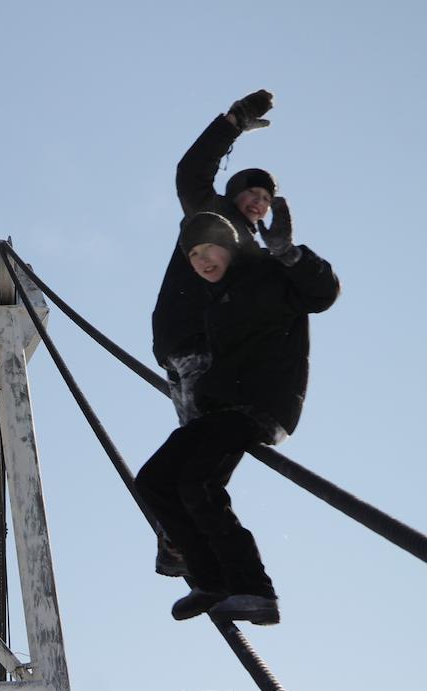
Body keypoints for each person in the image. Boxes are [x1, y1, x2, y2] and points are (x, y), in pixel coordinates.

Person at [135, 209, 339, 625]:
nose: (202, 261)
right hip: (223, 407)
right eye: (194, 255)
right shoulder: (215, 299)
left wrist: (290, 254)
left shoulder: (267, 274)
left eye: (209, 248)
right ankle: (210, 580)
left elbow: (321, 294)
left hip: (262, 403)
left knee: (198, 483)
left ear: (228, 246)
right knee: (153, 480)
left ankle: (255, 590)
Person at [150, 88, 278, 578]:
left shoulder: (256, 254)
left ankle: (175, 541)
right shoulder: (212, 213)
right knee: (210, 447)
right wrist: (232, 123)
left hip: (189, 348)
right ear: (234, 192)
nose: (259, 203)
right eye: (253, 193)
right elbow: (192, 172)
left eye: (266, 199)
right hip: (193, 345)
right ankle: (190, 539)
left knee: (195, 443)